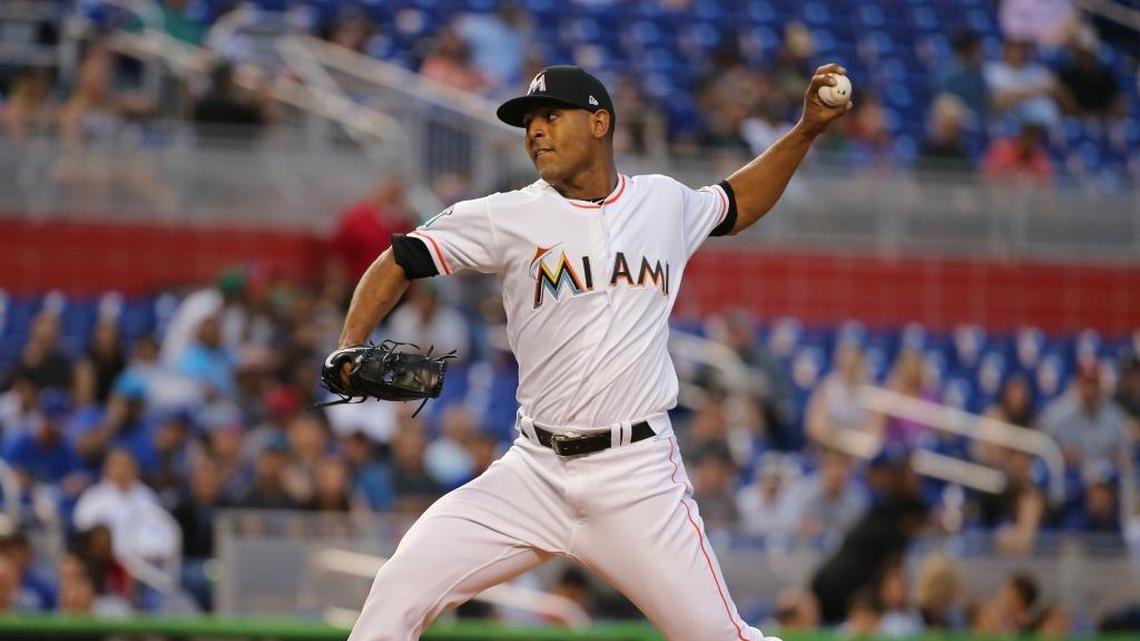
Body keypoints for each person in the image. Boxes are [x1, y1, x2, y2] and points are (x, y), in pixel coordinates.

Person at [326, 62, 849, 641]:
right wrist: (349, 344)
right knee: (400, 587)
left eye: (551, 116)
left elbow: (736, 202)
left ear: (600, 123)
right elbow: (402, 257)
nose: (534, 131)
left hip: (637, 478)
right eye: (528, 122)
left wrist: (805, 131)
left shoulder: (662, 202)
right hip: (533, 472)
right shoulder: (510, 214)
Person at [1039, 361, 1131, 471]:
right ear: (1078, 383)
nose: (1091, 389)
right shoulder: (1056, 415)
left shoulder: (1114, 415)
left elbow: (1125, 458)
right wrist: (1058, 456)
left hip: (1105, 483)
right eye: (1087, 383)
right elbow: (1043, 453)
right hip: (1070, 482)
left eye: (1094, 383)